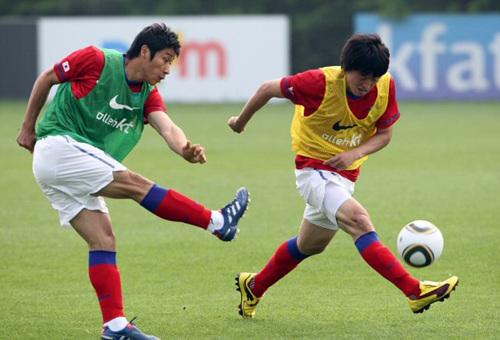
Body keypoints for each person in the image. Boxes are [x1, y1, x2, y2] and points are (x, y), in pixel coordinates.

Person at [17, 23, 249, 340]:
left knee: (104, 239)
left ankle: (114, 326)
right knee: (136, 184)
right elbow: (47, 78)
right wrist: (28, 127)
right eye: (165, 60)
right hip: (59, 146)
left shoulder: (148, 95)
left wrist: (185, 149)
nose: (168, 70)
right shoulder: (97, 60)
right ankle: (218, 221)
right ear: (144, 51)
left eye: (172, 63)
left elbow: (168, 128)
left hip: (64, 165)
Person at [228, 33, 458, 319]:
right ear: (346, 68)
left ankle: (254, 286)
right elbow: (266, 89)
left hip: (345, 177)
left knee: (309, 245)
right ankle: (414, 291)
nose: (368, 84)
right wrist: (240, 122)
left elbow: (385, 134)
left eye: (375, 77)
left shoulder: (385, 86)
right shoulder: (318, 83)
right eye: (363, 76)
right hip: (313, 171)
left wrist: (353, 154)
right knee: (360, 222)